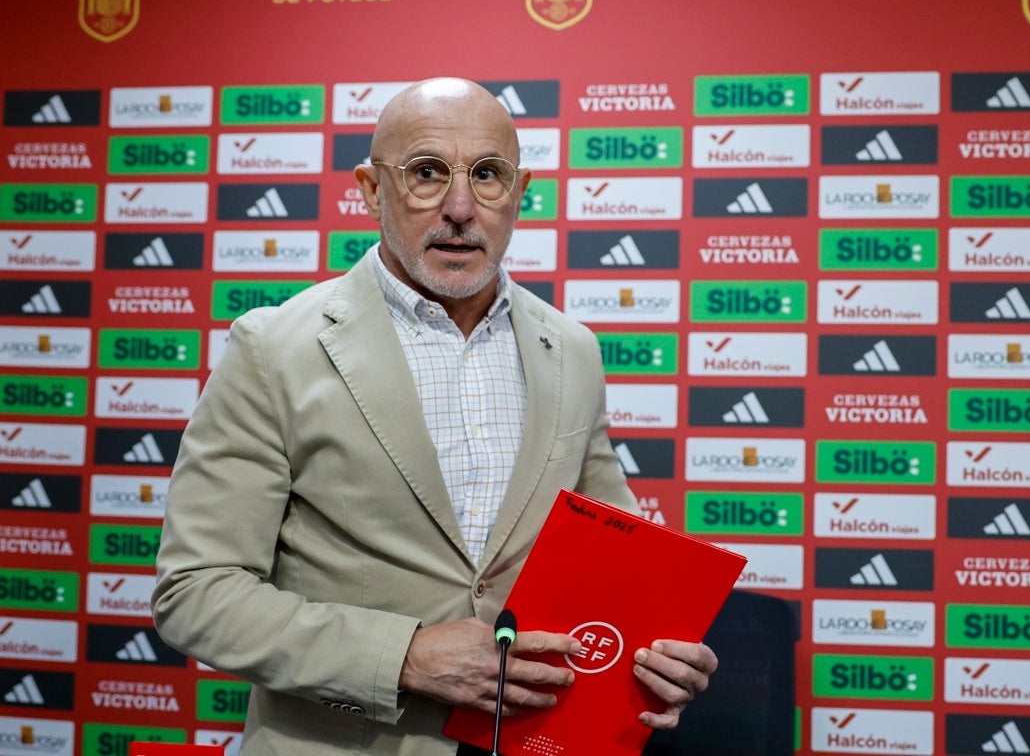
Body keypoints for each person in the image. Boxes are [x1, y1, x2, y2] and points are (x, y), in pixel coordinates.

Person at [152, 77, 718, 756]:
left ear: (520, 190)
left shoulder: (571, 349)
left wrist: (660, 656)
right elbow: (197, 593)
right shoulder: (273, 349)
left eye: (487, 175)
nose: (460, 207)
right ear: (370, 190)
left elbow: (614, 569)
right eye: (426, 174)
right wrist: (405, 656)